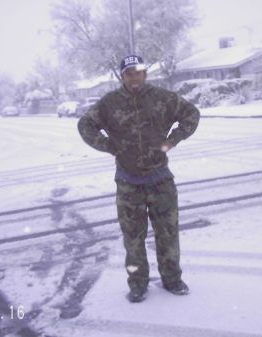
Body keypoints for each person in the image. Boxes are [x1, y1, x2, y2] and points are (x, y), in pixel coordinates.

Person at [77, 55, 200, 303]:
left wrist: (173, 139)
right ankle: (137, 284)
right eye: (129, 73)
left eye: (139, 72)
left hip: (161, 180)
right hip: (128, 182)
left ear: (145, 74)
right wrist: (108, 146)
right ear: (122, 77)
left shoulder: (163, 98)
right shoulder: (109, 103)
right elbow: (85, 125)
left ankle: (172, 279)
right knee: (133, 239)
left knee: (168, 234)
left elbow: (191, 114)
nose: (135, 77)